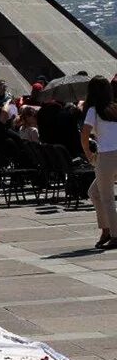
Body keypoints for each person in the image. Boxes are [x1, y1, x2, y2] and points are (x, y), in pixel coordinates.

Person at [81, 76, 117, 250]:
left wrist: (89, 154)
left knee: (107, 197)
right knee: (94, 192)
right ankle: (106, 229)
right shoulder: (114, 108)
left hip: (107, 155)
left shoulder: (93, 110)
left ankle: (115, 234)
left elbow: (84, 135)